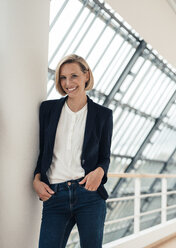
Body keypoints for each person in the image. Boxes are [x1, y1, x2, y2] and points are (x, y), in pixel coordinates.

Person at [32, 54, 113, 248]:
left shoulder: (103, 115)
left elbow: (105, 156)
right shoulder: (47, 110)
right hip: (55, 195)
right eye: (63, 77)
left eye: (74, 76)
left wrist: (100, 172)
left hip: (89, 195)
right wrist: (36, 180)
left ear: (86, 76)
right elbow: (43, 151)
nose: (68, 83)